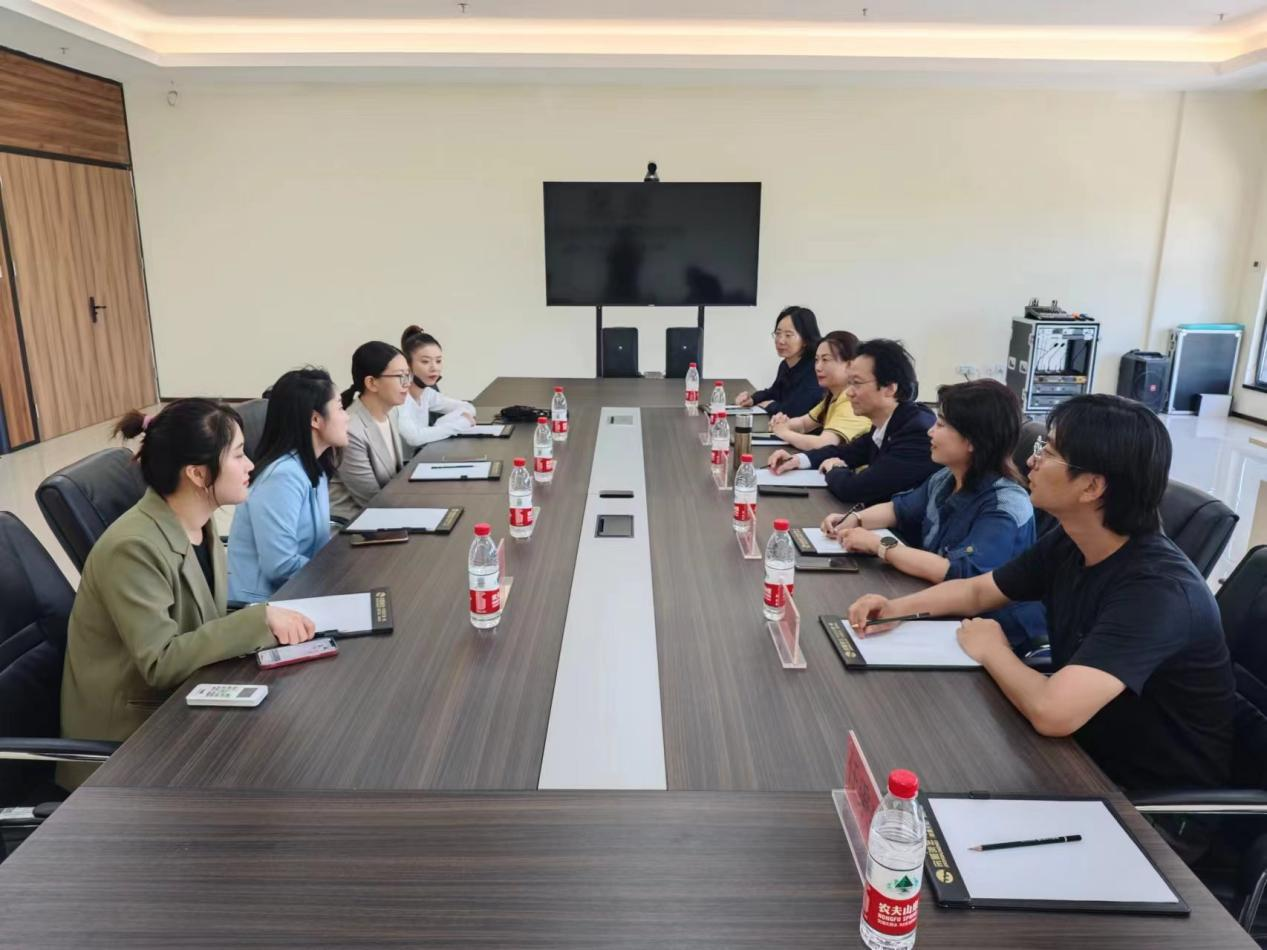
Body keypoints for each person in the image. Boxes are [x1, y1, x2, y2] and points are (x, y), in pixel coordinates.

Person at [847, 394, 1235, 791]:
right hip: (1080, 751)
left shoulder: (1157, 593)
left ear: (1092, 486)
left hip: (1142, 798)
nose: (1031, 461)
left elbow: (1053, 713)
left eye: (1047, 452)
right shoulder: (1074, 541)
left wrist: (992, 648)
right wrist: (896, 608)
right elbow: (979, 591)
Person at [59, 400, 317, 789]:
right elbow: (160, 662)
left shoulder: (199, 525)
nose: (250, 465)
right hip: (130, 741)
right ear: (197, 473)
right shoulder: (132, 547)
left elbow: (202, 621)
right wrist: (257, 619)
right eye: (238, 455)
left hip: (181, 704)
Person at [822, 379, 1046, 653]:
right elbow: (899, 509)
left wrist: (879, 546)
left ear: (972, 441)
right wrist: (855, 519)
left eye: (940, 425)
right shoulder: (946, 478)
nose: (930, 431)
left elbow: (960, 574)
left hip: (991, 634)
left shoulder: (1006, 505)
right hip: (940, 610)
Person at [767, 338, 940, 507]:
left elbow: (854, 489)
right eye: (849, 383)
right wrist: (798, 460)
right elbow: (847, 452)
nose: (849, 393)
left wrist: (834, 468)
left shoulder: (917, 432)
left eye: (856, 383)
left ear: (889, 388)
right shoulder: (889, 421)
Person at [228, 368, 349, 604]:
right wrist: (340, 574)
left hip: (301, 589)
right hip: (265, 603)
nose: (347, 417)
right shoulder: (282, 477)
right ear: (315, 419)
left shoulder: (314, 464)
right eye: (340, 408)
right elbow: (280, 567)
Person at [329, 341, 411, 521]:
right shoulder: (351, 430)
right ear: (372, 383)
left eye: (408, 375)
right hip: (354, 523)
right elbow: (372, 500)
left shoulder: (392, 413)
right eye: (400, 376)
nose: (407, 383)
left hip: (385, 514)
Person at [763, 331, 871, 454]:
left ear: (850, 364)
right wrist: (782, 423)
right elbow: (803, 424)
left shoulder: (852, 401)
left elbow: (823, 444)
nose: (818, 367)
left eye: (825, 360)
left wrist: (784, 433)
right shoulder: (833, 396)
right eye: (816, 360)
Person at [396, 325, 478, 451]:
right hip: (406, 463)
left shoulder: (427, 393)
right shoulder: (399, 397)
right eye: (425, 361)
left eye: (438, 361)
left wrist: (441, 424)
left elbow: (469, 408)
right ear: (407, 364)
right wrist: (462, 423)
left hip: (423, 456)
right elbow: (414, 438)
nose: (434, 368)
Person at [734, 306, 823, 417]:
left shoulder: (816, 369)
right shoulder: (785, 364)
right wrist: (752, 399)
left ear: (805, 339)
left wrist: (770, 406)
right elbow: (774, 392)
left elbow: (797, 411)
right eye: (778, 333)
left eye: (788, 335)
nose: (780, 341)